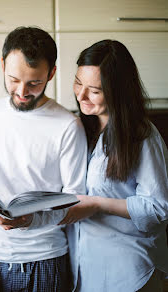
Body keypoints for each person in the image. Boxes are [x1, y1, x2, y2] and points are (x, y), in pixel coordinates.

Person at [0, 26, 87, 292]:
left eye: (34, 82)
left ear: (51, 73)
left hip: (44, 259)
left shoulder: (68, 125)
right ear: (2, 65)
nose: (22, 91)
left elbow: (76, 201)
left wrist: (32, 220)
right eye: (14, 79)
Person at [61, 40, 168, 292]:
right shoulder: (79, 127)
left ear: (118, 91)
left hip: (129, 272)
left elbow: (158, 207)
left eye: (94, 90)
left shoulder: (142, 135)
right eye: (78, 83)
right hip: (86, 267)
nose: (81, 96)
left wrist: (97, 203)